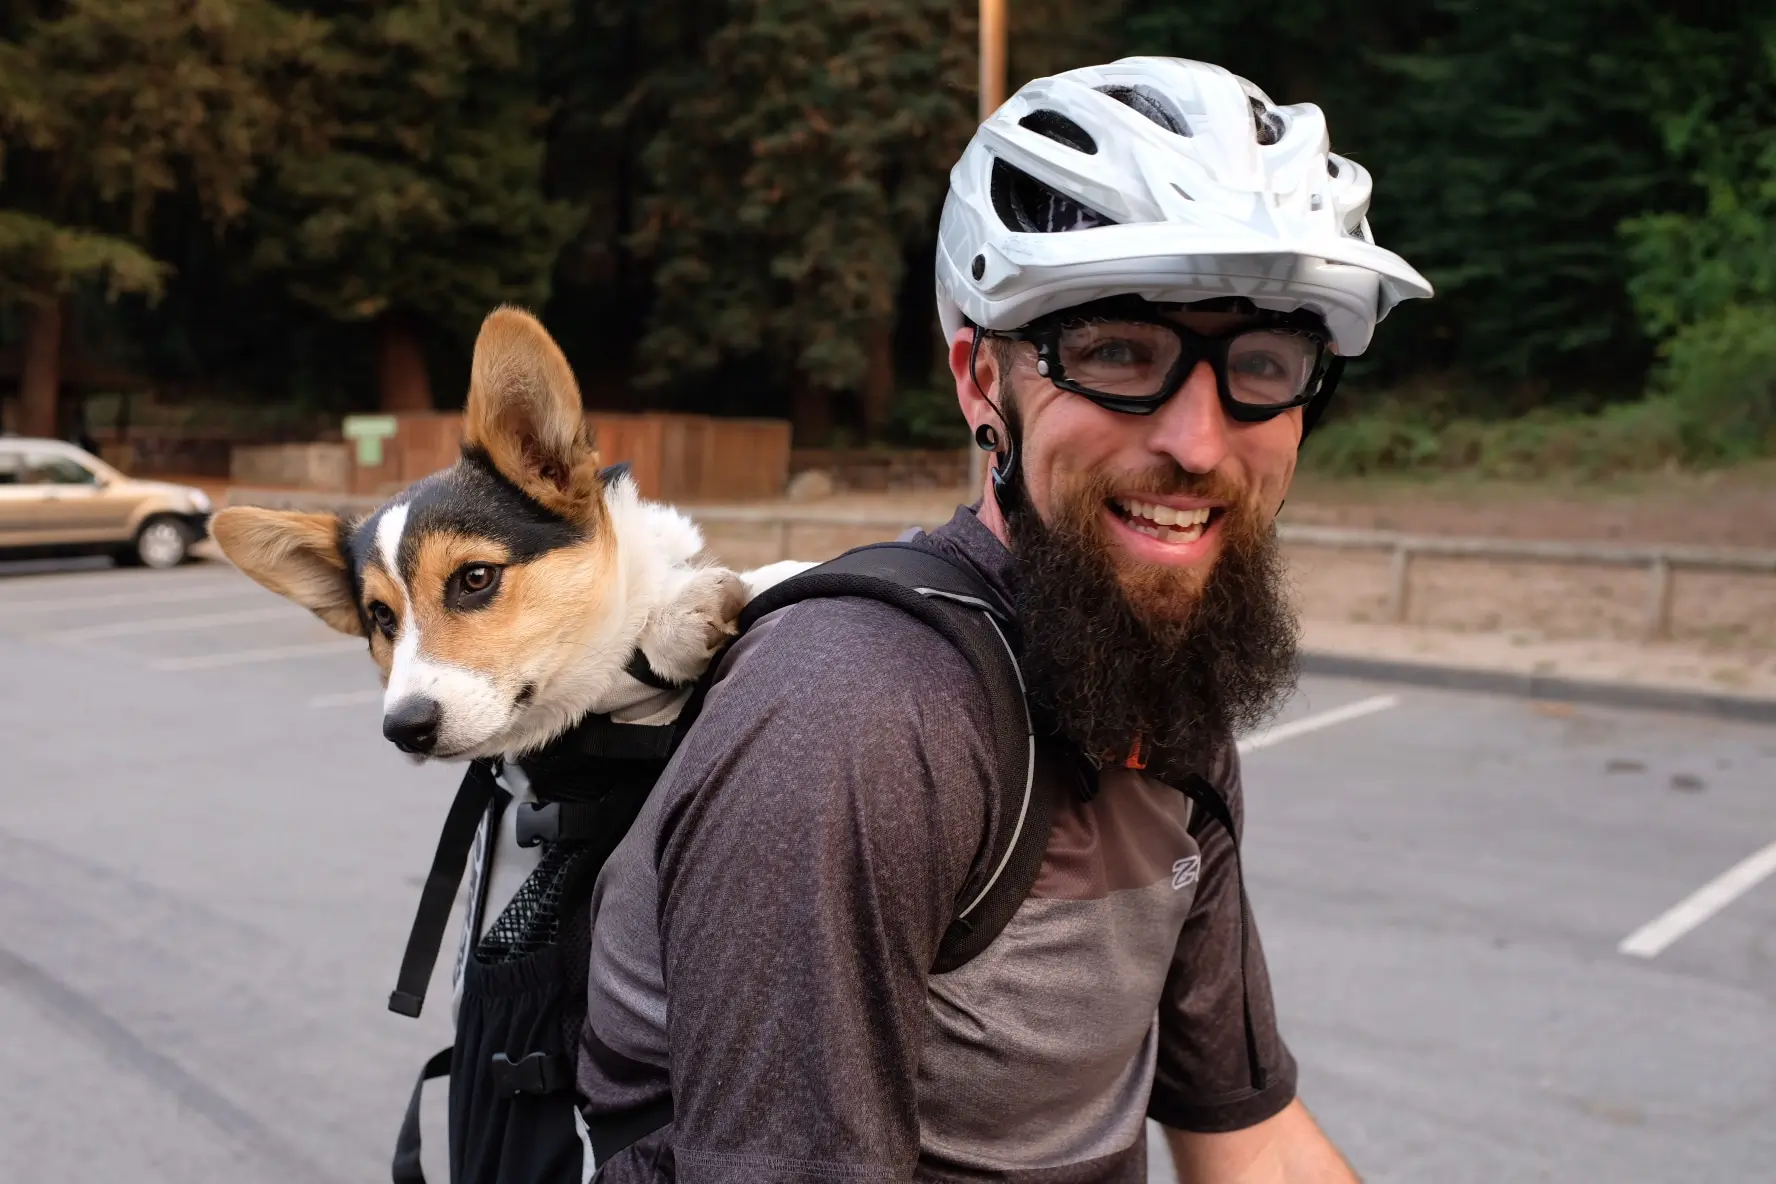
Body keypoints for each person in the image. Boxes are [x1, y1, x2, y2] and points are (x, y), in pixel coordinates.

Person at [579, 57, 1431, 1182]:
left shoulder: (1158, 678)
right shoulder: (857, 719)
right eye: (1119, 352)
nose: (1199, 442)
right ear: (983, 380)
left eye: (1263, 364)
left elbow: (1249, 1137)